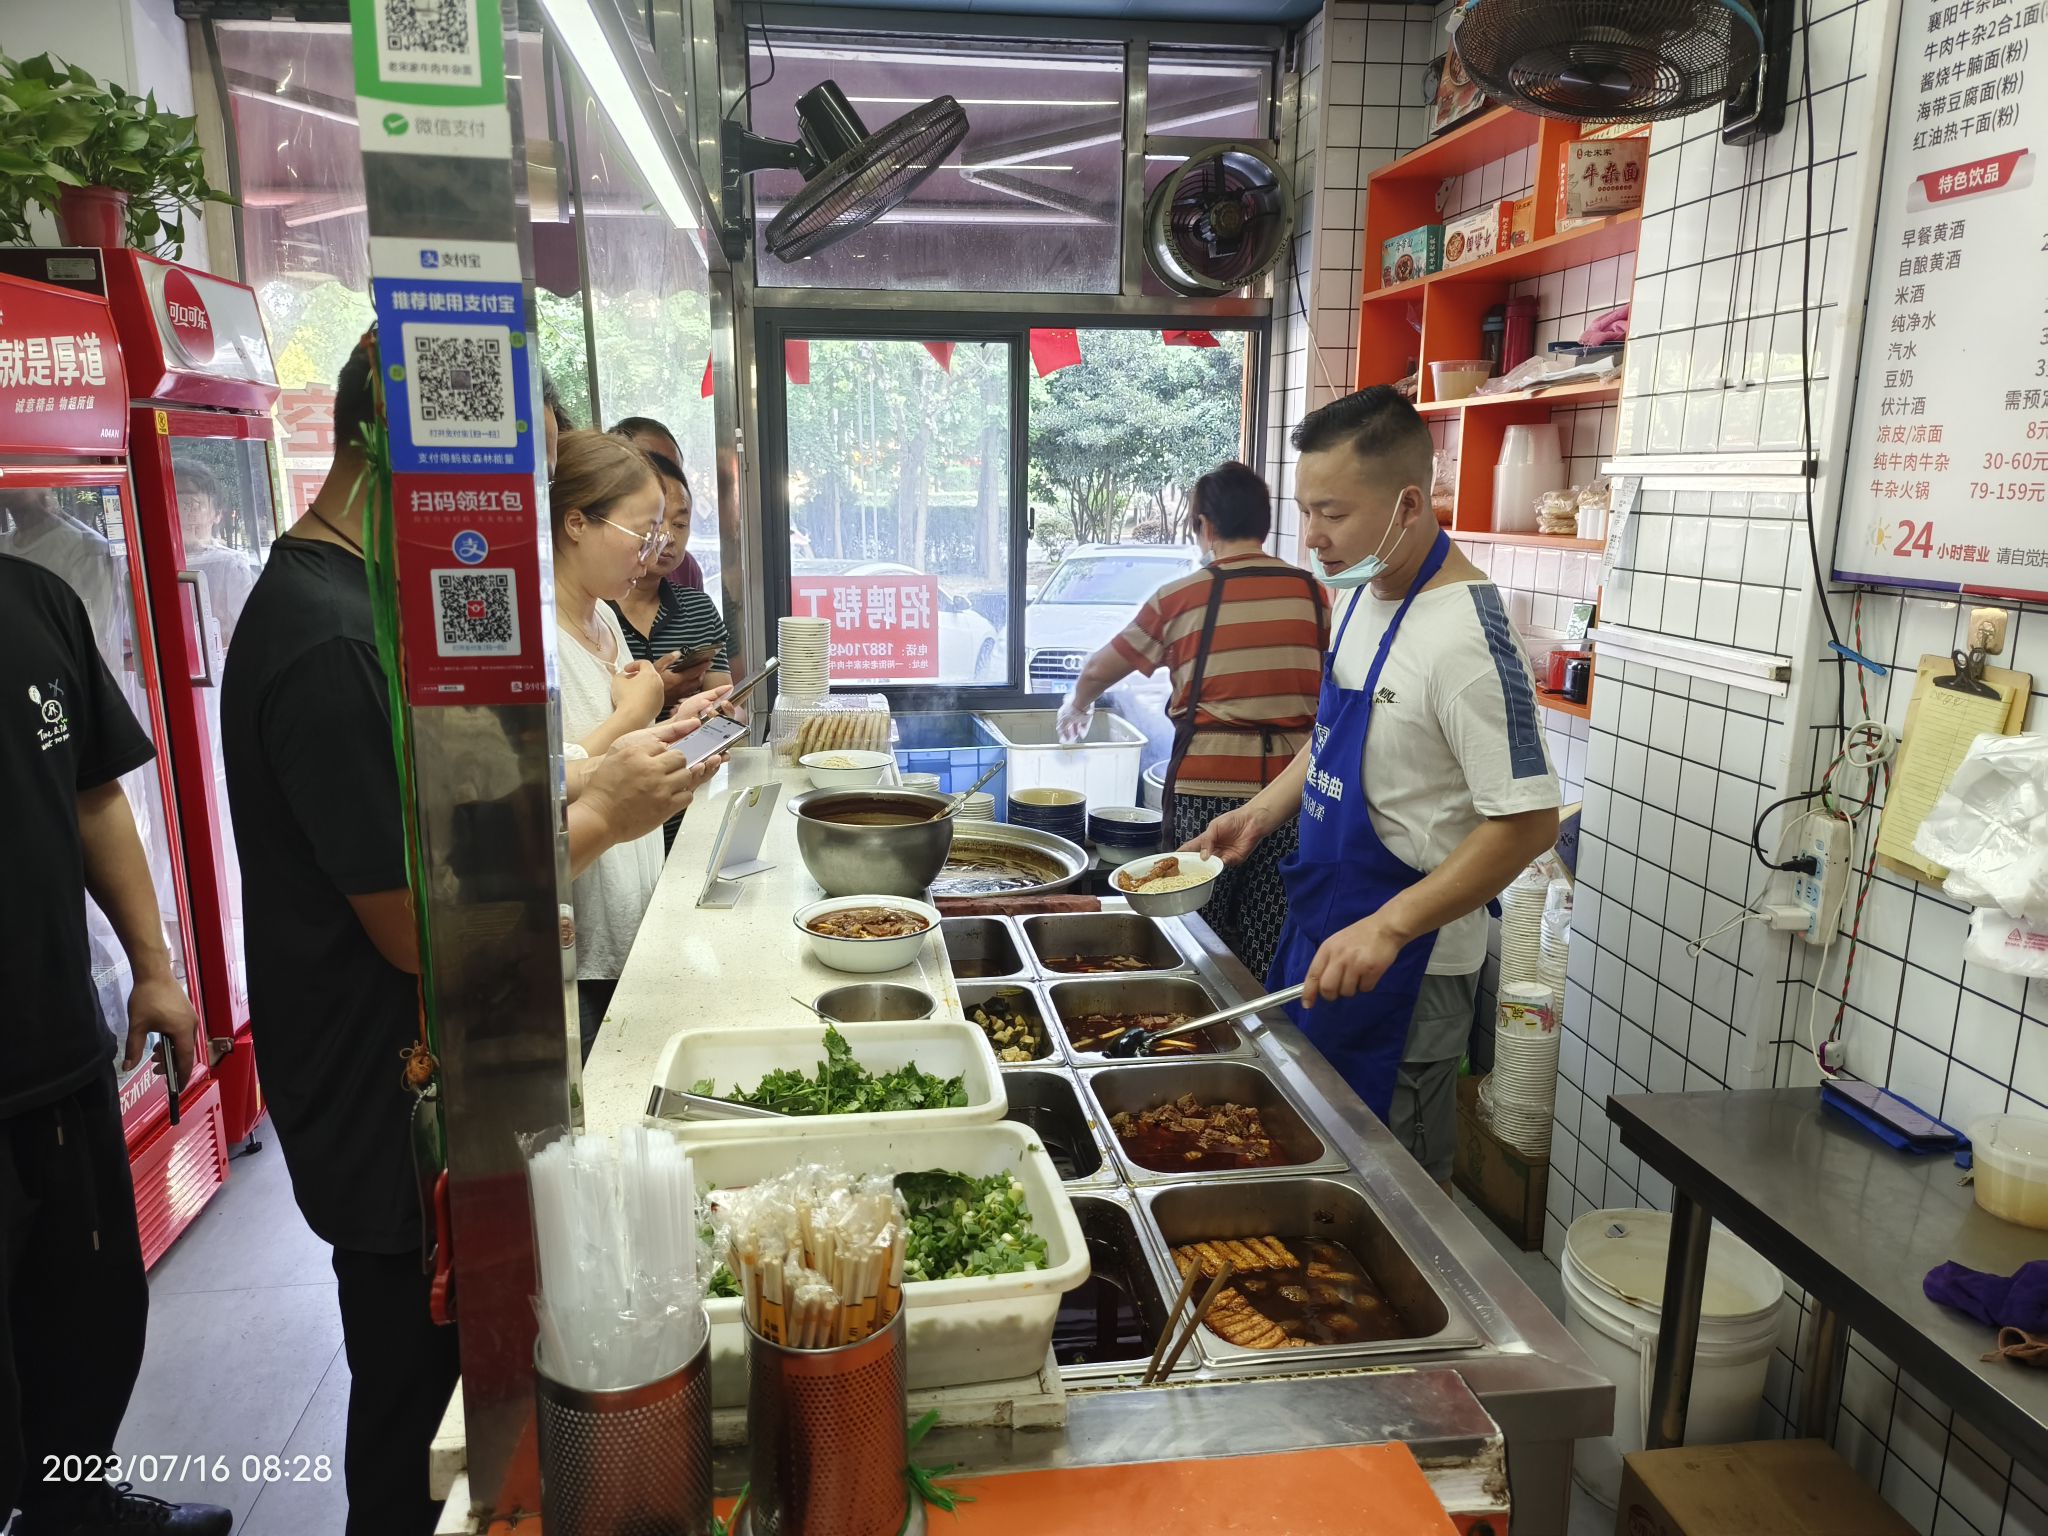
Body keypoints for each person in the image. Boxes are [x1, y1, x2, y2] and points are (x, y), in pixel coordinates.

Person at [222, 338, 719, 1536]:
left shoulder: (375, 608)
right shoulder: (331, 635)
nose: (522, 515)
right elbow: (411, 928)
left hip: (433, 1080)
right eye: (513, 479)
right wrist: (595, 820)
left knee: (446, 1391)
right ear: (397, 448)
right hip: (387, 1099)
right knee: (418, 1413)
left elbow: (456, 824)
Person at [1186, 387, 1560, 1189]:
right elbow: (1332, 741)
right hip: (1322, 930)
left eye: (1333, 513)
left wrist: (1389, 929)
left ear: (1409, 502)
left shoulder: (1467, 638)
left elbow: (1528, 823)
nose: (1311, 537)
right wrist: (1259, 812)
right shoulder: (1359, 589)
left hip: (1411, 970)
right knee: (1313, 1167)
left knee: (1395, 1198)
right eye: (1304, 510)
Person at [1, 553, 230, 1536]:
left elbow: (94, 798)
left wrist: (154, 965)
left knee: (89, 1315)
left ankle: (73, 1509)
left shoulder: (32, 597)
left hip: (56, 1042)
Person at [1055, 463, 1326, 979]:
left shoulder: (1180, 597)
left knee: (1193, 926)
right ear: (1265, 523)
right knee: (1270, 931)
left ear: (1204, 524)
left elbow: (1097, 669)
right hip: (1294, 795)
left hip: (1207, 791)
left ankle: (1197, 1024)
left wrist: (1080, 703)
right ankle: (1263, 1038)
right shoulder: (1315, 595)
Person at [552, 430, 729, 1056]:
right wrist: (638, 711)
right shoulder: (541, 638)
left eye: (665, 533)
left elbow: (617, 757)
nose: (657, 552)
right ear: (576, 522)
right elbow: (546, 776)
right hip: (582, 926)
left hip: (630, 905)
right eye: (643, 533)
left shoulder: (601, 619)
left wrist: (681, 724)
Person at [608, 451, 734, 852]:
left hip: (688, 806)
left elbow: (729, 709)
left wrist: (717, 715)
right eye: (655, 524)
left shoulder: (698, 606)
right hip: (617, 819)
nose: (668, 538)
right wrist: (653, 696)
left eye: (680, 523)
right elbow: (579, 749)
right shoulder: (597, 615)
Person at [609, 416, 705, 591]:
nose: (663, 483)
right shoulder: (592, 579)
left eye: (673, 471)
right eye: (649, 467)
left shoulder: (686, 570)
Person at [173, 463, 261, 649]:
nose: (181, 512)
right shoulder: (139, 562)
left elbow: (249, 636)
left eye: (192, 504)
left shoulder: (230, 565)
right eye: (175, 502)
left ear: (217, 514)